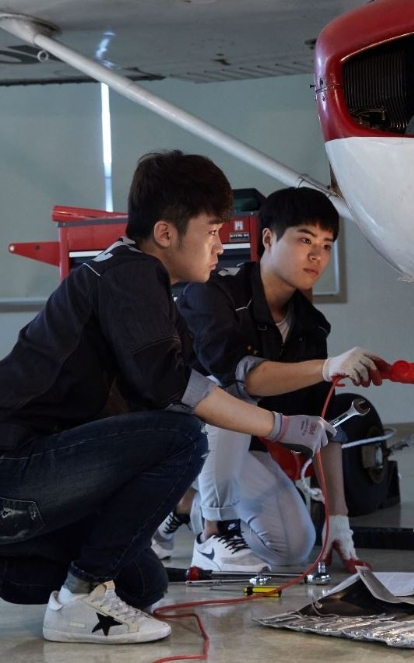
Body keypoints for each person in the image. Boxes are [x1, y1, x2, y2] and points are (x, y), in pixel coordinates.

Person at [0, 152, 333, 645]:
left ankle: (56, 577)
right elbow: (174, 389)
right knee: (180, 438)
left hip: (40, 478)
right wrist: (281, 428)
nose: (221, 246)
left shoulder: (150, 291)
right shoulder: (128, 272)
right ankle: (80, 596)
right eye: (213, 231)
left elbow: (198, 384)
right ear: (165, 233)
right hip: (16, 468)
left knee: (145, 584)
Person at [169, 186, 385, 574]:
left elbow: (323, 424)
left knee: (292, 548)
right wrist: (326, 365)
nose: (317, 254)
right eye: (304, 239)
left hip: (234, 449)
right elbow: (240, 380)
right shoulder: (213, 292)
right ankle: (212, 535)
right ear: (268, 238)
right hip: (172, 436)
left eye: (326, 244)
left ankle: (186, 504)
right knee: (230, 395)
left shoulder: (309, 325)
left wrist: (339, 522)